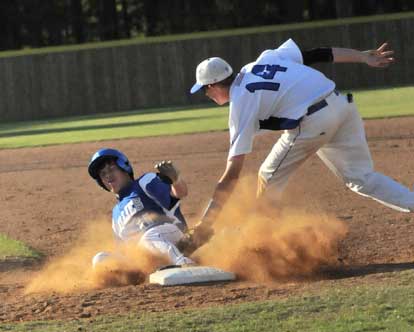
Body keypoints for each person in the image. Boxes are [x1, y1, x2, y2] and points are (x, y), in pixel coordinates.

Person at [188, 38, 414, 245]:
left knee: (268, 176)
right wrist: (362, 56)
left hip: (313, 121)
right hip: (341, 105)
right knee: (362, 177)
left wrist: (206, 223)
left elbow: (232, 174)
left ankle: (264, 245)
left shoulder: (239, 103)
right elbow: (317, 53)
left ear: (213, 86)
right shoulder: (263, 61)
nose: (206, 95)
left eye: (204, 90)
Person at [87, 148, 194, 268]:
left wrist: (175, 180)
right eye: (103, 174)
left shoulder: (144, 182)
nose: (108, 176)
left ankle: (184, 263)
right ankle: (142, 274)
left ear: (124, 168)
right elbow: (122, 250)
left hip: (172, 236)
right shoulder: (116, 214)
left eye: (111, 169)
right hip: (145, 257)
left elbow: (179, 193)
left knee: (149, 237)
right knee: (100, 259)